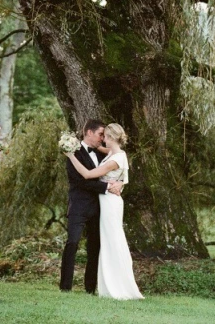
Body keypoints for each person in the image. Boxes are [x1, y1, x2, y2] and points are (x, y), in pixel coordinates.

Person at [66, 122, 143, 300]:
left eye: (104, 136)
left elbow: (87, 175)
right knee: (100, 242)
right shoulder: (114, 153)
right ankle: (82, 285)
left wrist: (70, 155)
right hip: (98, 202)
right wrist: (118, 184)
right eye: (100, 135)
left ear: (110, 138)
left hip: (107, 204)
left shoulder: (115, 157)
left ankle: (113, 285)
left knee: (109, 242)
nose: (101, 139)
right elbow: (121, 173)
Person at [59, 119, 123, 294]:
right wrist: (107, 187)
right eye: (100, 134)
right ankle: (65, 286)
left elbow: (117, 168)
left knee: (94, 247)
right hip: (79, 205)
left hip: (99, 206)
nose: (102, 138)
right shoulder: (72, 153)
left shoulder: (103, 154)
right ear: (89, 132)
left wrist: (120, 184)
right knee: (72, 242)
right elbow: (79, 181)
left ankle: (90, 287)